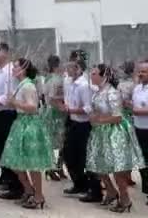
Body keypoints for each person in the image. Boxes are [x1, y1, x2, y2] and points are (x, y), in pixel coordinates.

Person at [86, 64, 145, 213]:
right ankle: (111, 192)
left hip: (114, 134)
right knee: (98, 165)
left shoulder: (112, 93)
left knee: (117, 169)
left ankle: (125, 200)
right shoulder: (97, 92)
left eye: (94, 74)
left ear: (103, 76)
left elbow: (117, 117)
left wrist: (99, 120)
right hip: (100, 133)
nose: (91, 76)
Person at [0, 58, 53, 209]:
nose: (12, 69)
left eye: (15, 67)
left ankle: (38, 195)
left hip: (29, 124)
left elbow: (33, 107)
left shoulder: (28, 86)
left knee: (32, 163)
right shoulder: (21, 85)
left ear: (23, 70)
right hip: (20, 122)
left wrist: (14, 102)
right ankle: (29, 190)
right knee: (15, 161)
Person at [62, 51, 103, 203]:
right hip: (73, 122)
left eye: (71, 67)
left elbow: (87, 109)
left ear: (79, 68)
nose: (68, 69)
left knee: (85, 157)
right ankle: (79, 183)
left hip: (84, 125)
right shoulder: (69, 82)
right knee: (69, 154)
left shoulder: (84, 85)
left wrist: (69, 109)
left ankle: (93, 189)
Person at [0, 43, 24, 200]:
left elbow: (10, 94)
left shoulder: (10, 71)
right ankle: (6, 179)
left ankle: (14, 184)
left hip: (8, 113)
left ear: (6, 53)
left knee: (5, 148)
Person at [41, 55, 67, 181]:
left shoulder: (46, 78)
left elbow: (46, 96)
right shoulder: (58, 79)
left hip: (47, 111)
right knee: (62, 141)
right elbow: (53, 97)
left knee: (51, 142)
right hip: (57, 112)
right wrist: (64, 101)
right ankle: (56, 166)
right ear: (58, 64)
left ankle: (53, 167)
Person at [132, 61, 148, 206]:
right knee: (142, 161)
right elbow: (133, 105)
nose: (141, 74)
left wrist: (136, 111)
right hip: (138, 129)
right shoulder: (137, 88)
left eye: (145, 71)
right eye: (140, 71)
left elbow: (137, 109)